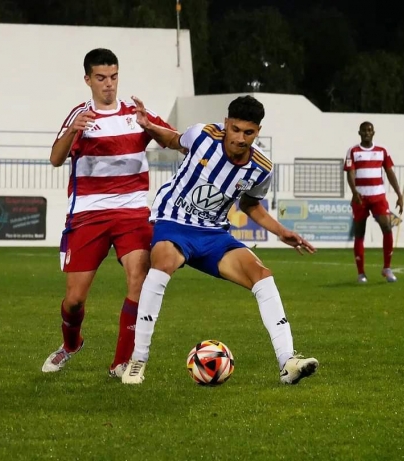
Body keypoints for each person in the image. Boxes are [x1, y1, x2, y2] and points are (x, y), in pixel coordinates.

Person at [121, 95, 319, 385]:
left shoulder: (261, 167)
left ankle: (287, 362)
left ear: (257, 131)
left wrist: (281, 231)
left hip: (214, 233)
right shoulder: (203, 134)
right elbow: (175, 140)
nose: (240, 138)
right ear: (226, 123)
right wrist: (148, 125)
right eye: (235, 129)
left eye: (248, 132)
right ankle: (138, 359)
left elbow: (251, 205)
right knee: (162, 264)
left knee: (262, 276)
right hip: (174, 221)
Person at [41, 48, 173, 376]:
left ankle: (121, 362)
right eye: (101, 78)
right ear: (88, 80)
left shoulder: (136, 113)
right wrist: (74, 130)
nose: (109, 84)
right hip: (88, 216)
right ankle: (71, 344)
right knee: (74, 300)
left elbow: (175, 141)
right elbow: (56, 159)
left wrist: (151, 127)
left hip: (132, 214)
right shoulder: (79, 116)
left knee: (137, 280)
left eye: (113, 77)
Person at [344, 121, 404, 284]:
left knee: (387, 226)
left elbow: (390, 172)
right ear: (359, 132)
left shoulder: (382, 151)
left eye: (369, 130)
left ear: (373, 132)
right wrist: (354, 192)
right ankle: (361, 273)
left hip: (378, 197)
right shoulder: (353, 151)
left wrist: (399, 194)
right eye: (364, 130)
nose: (366, 132)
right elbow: (350, 173)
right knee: (359, 232)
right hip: (360, 198)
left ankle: (387, 268)